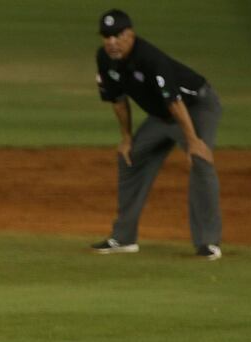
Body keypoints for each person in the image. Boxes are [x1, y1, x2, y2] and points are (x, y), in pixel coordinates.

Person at [90, 9, 224, 260]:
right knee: (130, 157)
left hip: (195, 107)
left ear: (130, 34)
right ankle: (124, 237)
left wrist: (194, 142)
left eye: (117, 35)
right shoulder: (104, 59)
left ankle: (208, 242)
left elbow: (174, 102)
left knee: (200, 159)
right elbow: (117, 100)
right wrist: (127, 138)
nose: (111, 42)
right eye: (106, 36)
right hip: (162, 116)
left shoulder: (150, 59)